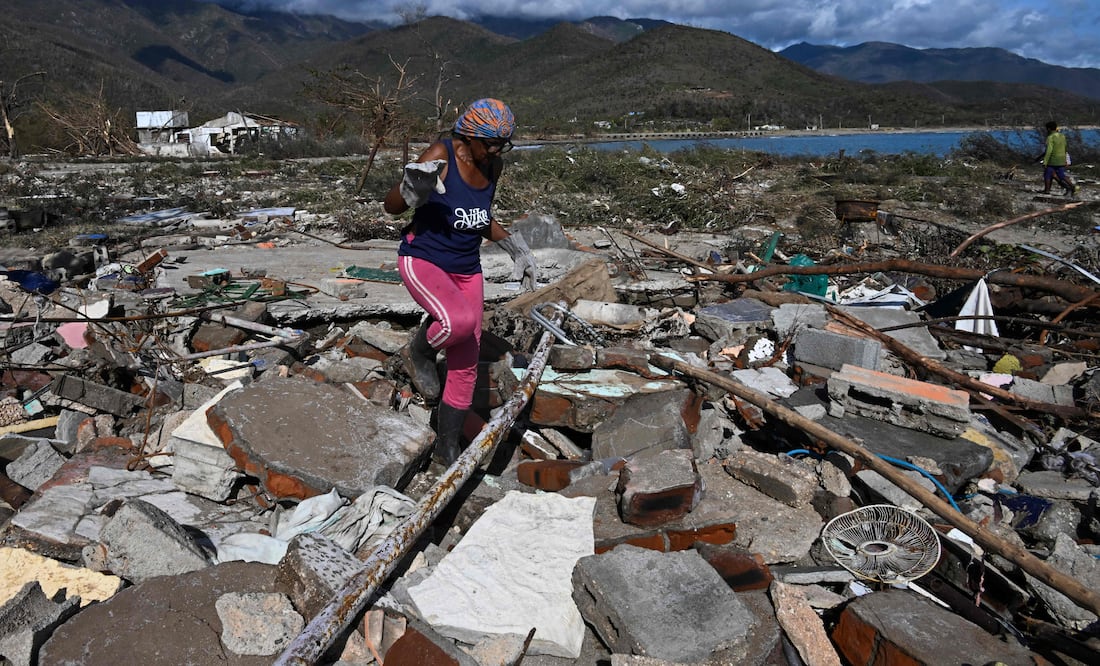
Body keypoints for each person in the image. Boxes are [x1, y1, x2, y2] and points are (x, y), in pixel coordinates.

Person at [383, 98, 537, 465]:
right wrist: (411, 189)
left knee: (466, 358)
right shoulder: (444, 153)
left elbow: (479, 215)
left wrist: (516, 247)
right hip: (425, 260)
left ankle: (446, 446)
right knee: (458, 324)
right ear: (468, 136)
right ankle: (419, 350)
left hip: (467, 266)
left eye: (504, 143)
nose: (498, 150)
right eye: (491, 142)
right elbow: (391, 206)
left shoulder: (492, 164)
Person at [1040, 120, 1078, 196]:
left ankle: (1047, 190)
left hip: (1053, 159)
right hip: (1062, 159)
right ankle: (1073, 187)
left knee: (1047, 174)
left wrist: (1045, 161)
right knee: (1061, 175)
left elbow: (1049, 150)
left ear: (1049, 129)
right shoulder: (1062, 136)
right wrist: (1065, 159)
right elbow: (1064, 147)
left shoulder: (1050, 137)